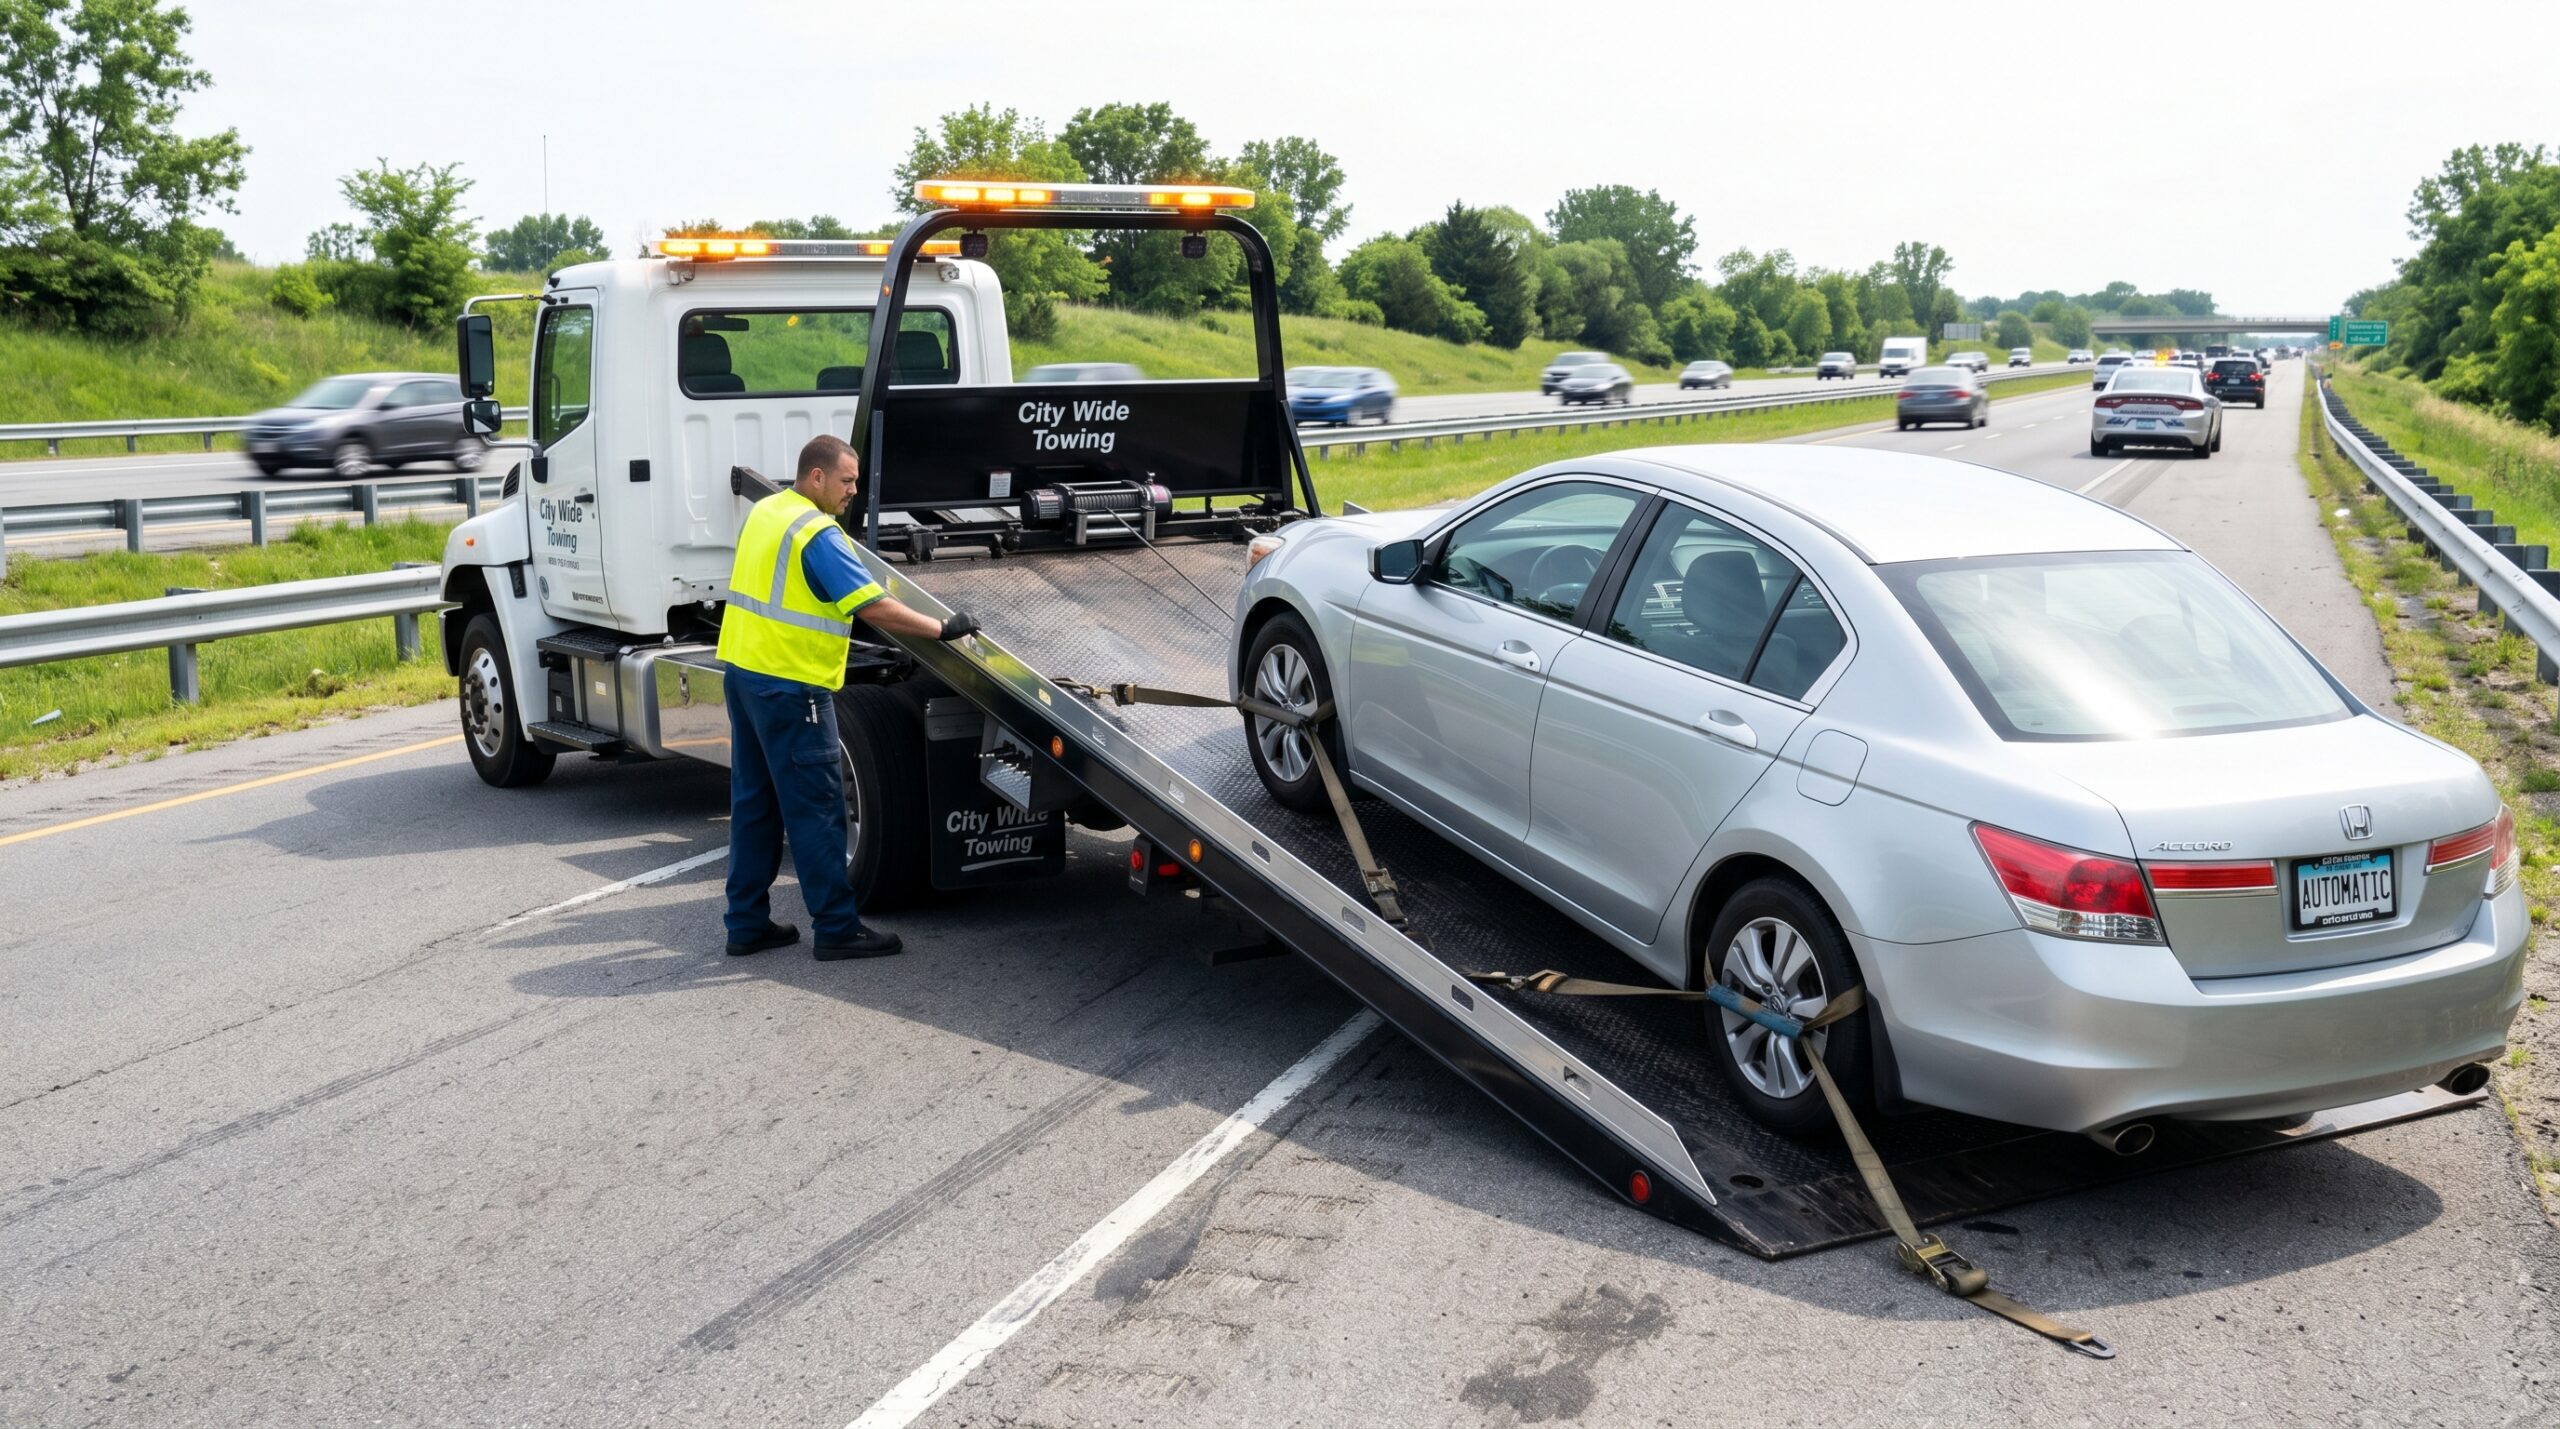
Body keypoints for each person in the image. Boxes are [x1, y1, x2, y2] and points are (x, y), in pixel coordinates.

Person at [715, 434, 978, 960]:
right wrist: (942, 627)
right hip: (793, 687)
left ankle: (746, 924)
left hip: (745, 675)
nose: (853, 491)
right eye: (847, 480)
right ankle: (836, 926)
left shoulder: (767, 512)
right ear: (816, 476)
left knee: (755, 805)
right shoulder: (816, 533)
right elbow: (872, 606)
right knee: (817, 809)